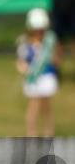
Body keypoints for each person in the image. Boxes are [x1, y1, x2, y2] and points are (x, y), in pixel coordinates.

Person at [16, 8, 59, 137]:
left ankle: (49, 133)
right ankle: (31, 134)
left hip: (46, 78)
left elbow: (56, 60)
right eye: (36, 29)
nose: (39, 33)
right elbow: (21, 61)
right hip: (33, 80)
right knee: (33, 107)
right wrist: (23, 68)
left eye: (41, 30)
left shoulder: (50, 41)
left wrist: (53, 58)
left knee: (46, 107)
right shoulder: (24, 43)